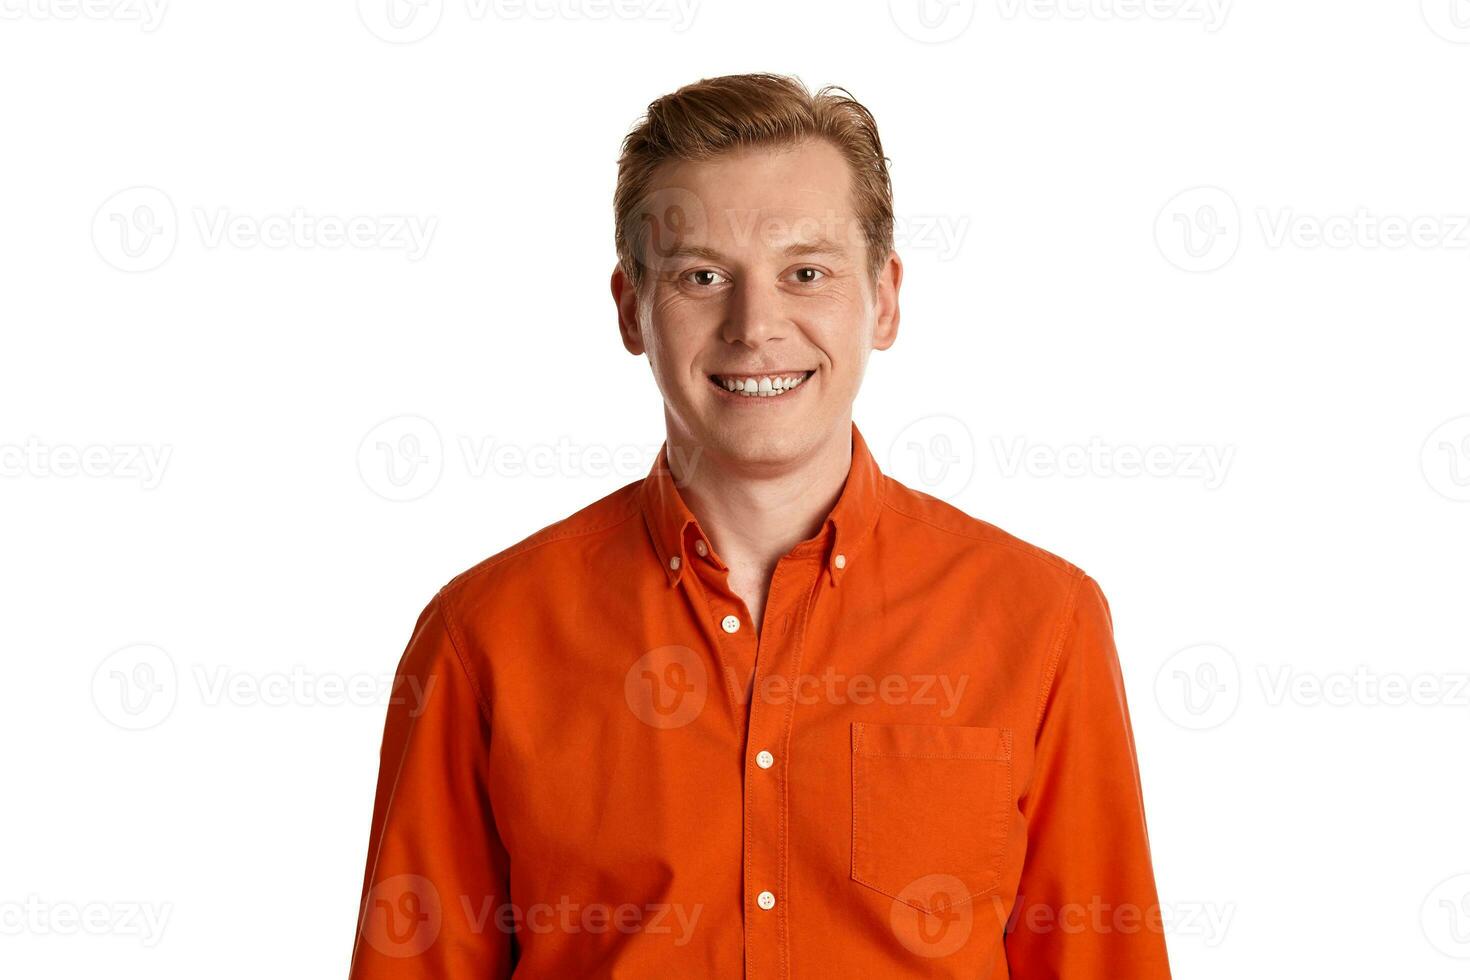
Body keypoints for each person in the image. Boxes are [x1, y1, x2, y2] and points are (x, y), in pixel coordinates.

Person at [348, 72, 1171, 978]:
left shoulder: (1042, 621)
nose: (755, 325)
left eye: (805, 273)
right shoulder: (484, 637)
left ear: (885, 299)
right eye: (703, 276)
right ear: (631, 308)